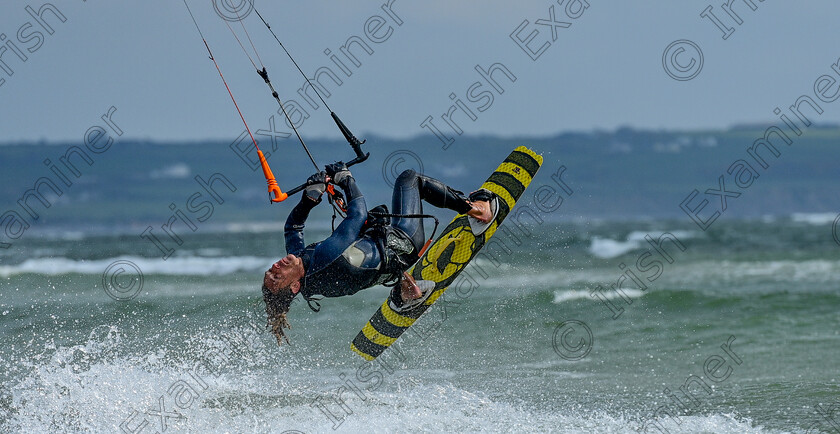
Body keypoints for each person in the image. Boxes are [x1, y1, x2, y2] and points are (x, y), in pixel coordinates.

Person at [261, 162, 496, 345]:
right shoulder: (325, 259)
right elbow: (358, 214)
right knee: (409, 179)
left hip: (387, 265)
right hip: (406, 243)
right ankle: (478, 210)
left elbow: (293, 228)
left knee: (363, 255)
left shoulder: (305, 274)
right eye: (277, 276)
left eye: (270, 271)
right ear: (294, 286)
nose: (275, 267)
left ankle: (407, 288)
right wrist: (346, 179)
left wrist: (309, 199)